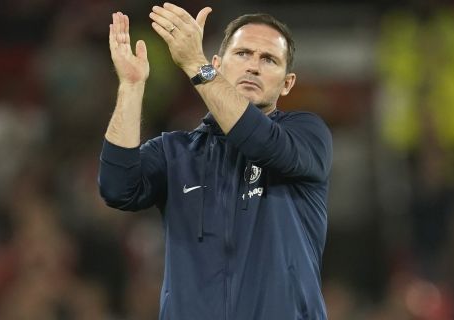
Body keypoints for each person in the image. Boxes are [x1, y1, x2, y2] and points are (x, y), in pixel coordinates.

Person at [98, 3, 333, 320]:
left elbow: (259, 141)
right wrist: (130, 86)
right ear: (219, 64)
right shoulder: (176, 152)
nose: (253, 67)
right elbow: (117, 188)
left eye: (269, 60)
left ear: (287, 83)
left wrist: (196, 64)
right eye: (243, 54)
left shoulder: (307, 135)